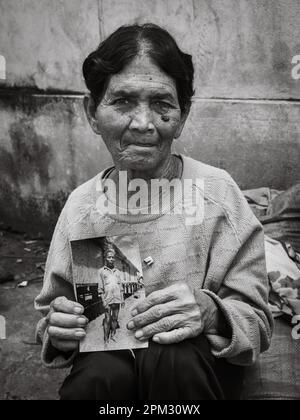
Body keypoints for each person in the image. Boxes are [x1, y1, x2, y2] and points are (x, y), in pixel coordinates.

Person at [35, 23, 273, 400]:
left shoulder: (217, 194)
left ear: (183, 115)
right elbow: (53, 318)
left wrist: (210, 312)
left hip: (199, 377)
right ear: (92, 112)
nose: (143, 123)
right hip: (112, 381)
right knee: (99, 373)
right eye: (123, 101)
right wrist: (59, 328)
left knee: (173, 357)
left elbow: (258, 323)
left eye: (162, 103)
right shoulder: (82, 208)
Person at [98, 249, 124, 343]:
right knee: (107, 319)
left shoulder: (118, 272)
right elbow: (100, 289)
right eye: (109, 257)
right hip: (107, 300)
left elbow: (120, 287)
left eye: (113, 257)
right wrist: (103, 301)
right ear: (106, 258)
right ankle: (105, 339)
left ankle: (113, 335)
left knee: (115, 319)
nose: (111, 259)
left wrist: (123, 299)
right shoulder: (101, 271)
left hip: (117, 300)